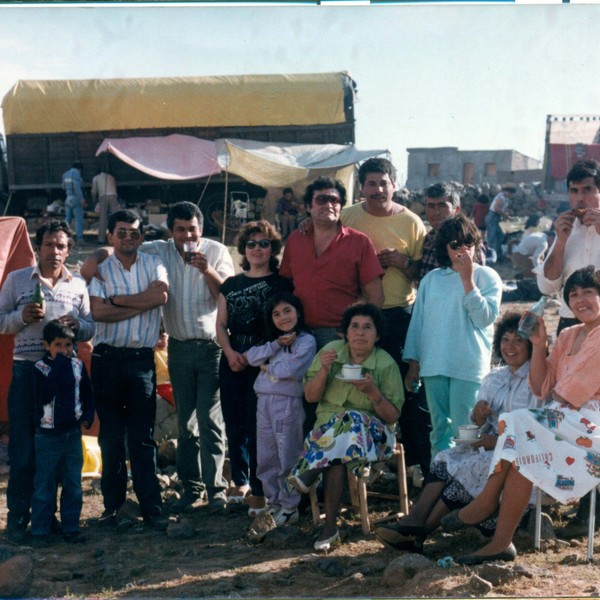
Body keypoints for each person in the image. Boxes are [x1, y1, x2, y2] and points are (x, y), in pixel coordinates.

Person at [81, 201, 235, 514]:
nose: (187, 235)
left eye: (192, 228)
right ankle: (186, 492)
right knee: (183, 425)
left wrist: (207, 270)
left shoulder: (214, 251)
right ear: (171, 231)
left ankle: (213, 492)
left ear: (201, 229)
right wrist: (97, 255)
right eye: (180, 229)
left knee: (208, 421)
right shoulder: (159, 250)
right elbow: (121, 251)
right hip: (170, 348)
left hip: (208, 347)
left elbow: (225, 295)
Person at [440, 266, 600, 565]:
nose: (580, 299)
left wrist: (551, 396)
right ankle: (501, 542)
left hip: (590, 426)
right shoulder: (567, 334)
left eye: (589, 292)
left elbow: (567, 394)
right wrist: (539, 345)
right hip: (557, 421)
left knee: (518, 421)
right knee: (521, 453)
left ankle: (487, 501)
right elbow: (541, 386)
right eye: (574, 294)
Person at [375, 312, 542, 551]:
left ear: (530, 345)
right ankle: (416, 523)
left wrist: (494, 441)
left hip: (518, 456)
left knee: (466, 469)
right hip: (486, 447)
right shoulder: (495, 377)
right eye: (505, 340)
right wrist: (478, 415)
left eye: (518, 340)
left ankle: (419, 531)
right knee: (446, 457)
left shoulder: (536, 381)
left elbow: (535, 430)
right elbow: (476, 424)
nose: (510, 346)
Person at [0, 220, 94, 543]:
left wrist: (77, 326)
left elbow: (91, 327)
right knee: (24, 449)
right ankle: (17, 520)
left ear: (69, 250)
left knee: (55, 451)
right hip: (27, 372)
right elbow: (0, 322)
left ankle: (50, 520)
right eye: (48, 245)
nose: (54, 252)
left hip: (63, 377)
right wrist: (22, 318)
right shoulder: (16, 280)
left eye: (61, 246)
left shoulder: (78, 284)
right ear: (38, 247)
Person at [287, 303, 404, 551]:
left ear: (377, 335)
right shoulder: (331, 351)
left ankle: (310, 472)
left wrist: (373, 392)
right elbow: (310, 396)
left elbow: (392, 417)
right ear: (345, 332)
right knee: (338, 453)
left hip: (374, 438)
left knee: (350, 418)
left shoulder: (385, 364)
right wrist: (325, 370)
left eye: (367, 328)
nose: (360, 333)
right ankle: (330, 528)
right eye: (355, 327)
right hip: (327, 438)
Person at [340, 157, 430, 475]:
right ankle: (366, 461)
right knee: (360, 384)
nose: (378, 189)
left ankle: (417, 463)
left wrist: (403, 262)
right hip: (358, 314)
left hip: (399, 312)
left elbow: (422, 272)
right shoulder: (346, 216)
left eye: (383, 183)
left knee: (406, 386)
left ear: (394, 185)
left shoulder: (412, 222)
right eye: (371, 183)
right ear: (361, 187)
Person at [88, 209, 170, 530]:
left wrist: (119, 300)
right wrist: (140, 302)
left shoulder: (153, 263)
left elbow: (160, 295)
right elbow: (98, 313)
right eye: (121, 232)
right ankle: (114, 507)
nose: (128, 238)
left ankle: (151, 507)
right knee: (110, 437)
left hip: (140, 360)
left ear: (141, 237)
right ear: (110, 236)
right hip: (107, 360)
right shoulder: (101, 271)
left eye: (134, 233)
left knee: (142, 437)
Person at [404, 213, 502, 456]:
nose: (462, 250)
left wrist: (467, 279)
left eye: (467, 243)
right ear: (444, 248)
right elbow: (418, 324)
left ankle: (468, 489)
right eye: (455, 245)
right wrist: (413, 364)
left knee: (467, 430)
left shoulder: (487, 276)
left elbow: (484, 318)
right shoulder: (430, 280)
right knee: (439, 432)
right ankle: (441, 485)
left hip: (467, 365)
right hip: (434, 365)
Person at [216, 220, 292, 515]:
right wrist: (230, 352)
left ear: (273, 248)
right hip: (234, 357)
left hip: (269, 359)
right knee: (235, 422)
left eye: (264, 243)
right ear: (243, 249)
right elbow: (221, 324)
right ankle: (240, 480)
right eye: (252, 244)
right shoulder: (231, 285)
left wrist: (266, 355)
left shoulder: (282, 284)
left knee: (262, 425)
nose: (257, 249)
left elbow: (287, 321)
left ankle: (263, 489)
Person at [244, 292, 316, 526]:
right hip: (263, 401)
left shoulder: (306, 341)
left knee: (287, 455)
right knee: (266, 456)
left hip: (286, 404)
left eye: (287, 311)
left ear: (298, 312)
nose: (283, 317)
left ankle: (290, 506)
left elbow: (291, 370)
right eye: (276, 314)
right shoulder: (274, 343)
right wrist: (274, 348)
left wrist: (268, 368)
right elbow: (251, 357)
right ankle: (273, 501)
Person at [30, 320, 95, 547]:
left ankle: (71, 527)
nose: (64, 350)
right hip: (48, 435)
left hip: (72, 434)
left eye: (68, 344)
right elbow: (44, 396)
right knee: (44, 484)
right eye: (58, 345)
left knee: (73, 483)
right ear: (47, 346)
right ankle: (40, 530)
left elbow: (87, 394)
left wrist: (87, 415)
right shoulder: (40, 368)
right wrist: (58, 368)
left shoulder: (78, 366)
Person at [536, 160, 600, 335]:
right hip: (570, 323)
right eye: (574, 191)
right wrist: (560, 242)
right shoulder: (565, 229)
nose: (580, 198)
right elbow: (546, 287)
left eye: (587, 190)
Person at [418, 182, 486, 281]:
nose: (436, 212)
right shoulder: (427, 240)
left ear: (457, 210)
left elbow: (478, 280)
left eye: (442, 206)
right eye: (431, 206)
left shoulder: (467, 241)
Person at [510, 214, 548, 279]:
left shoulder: (528, 229)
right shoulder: (534, 231)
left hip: (521, 251)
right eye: (539, 221)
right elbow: (535, 257)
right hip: (522, 254)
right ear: (536, 221)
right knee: (540, 263)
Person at [485, 183, 517, 261]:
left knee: (500, 236)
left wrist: (505, 215)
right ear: (507, 191)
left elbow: (502, 209)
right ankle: (490, 257)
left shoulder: (505, 198)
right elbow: (496, 208)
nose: (510, 195)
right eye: (510, 193)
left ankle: (498, 254)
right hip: (493, 217)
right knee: (492, 238)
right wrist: (506, 216)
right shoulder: (501, 197)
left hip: (496, 217)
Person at [91, 169, 120, 245]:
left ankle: (101, 240)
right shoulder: (111, 177)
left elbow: (93, 192)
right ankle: (117, 238)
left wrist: (94, 200)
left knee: (103, 219)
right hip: (113, 195)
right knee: (115, 218)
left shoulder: (96, 178)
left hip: (103, 196)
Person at [62, 162, 86, 244]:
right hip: (76, 198)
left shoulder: (65, 174)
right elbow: (77, 188)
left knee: (67, 218)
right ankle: (79, 239)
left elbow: (63, 186)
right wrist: (82, 199)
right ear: (79, 169)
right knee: (78, 219)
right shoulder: (76, 173)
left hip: (68, 198)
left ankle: (63, 236)